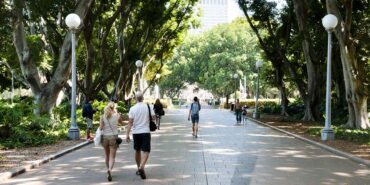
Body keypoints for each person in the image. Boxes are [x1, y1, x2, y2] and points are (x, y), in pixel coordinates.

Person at [126, 92, 155, 180]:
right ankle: (141, 167)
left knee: (137, 150)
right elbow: (153, 117)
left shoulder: (132, 108)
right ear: (143, 98)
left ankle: (139, 167)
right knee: (146, 151)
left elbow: (130, 122)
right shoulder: (148, 106)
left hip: (136, 132)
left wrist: (127, 134)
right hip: (145, 132)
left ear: (135, 98)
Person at [99, 102, 124, 182]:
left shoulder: (103, 116)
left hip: (105, 138)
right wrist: (117, 114)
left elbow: (101, 128)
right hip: (113, 137)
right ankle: (110, 169)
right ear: (114, 108)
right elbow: (121, 122)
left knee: (107, 155)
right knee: (112, 157)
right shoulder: (116, 115)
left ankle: (108, 170)